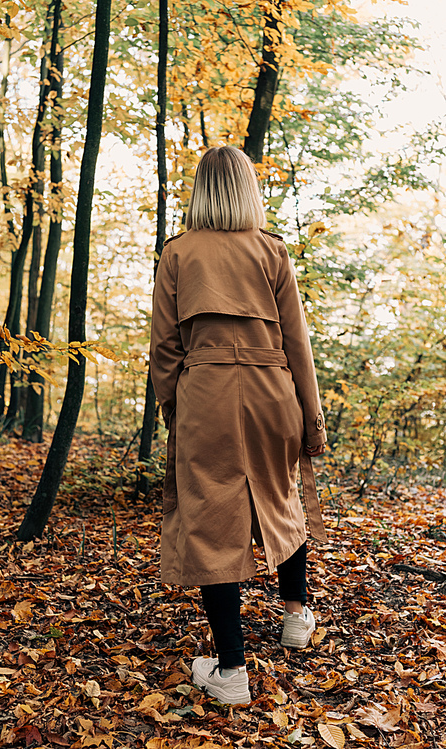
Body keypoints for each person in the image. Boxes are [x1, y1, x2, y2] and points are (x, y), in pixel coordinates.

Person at [149, 146, 328, 706]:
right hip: (274, 391)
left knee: (210, 515)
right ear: (249, 190)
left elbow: (163, 349)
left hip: (206, 395)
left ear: (202, 189)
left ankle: (232, 671)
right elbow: (297, 341)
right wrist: (311, 414)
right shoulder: (273, 252)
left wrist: (172, 406)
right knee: (280, 497)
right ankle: (296, 617)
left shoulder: (178, 253)